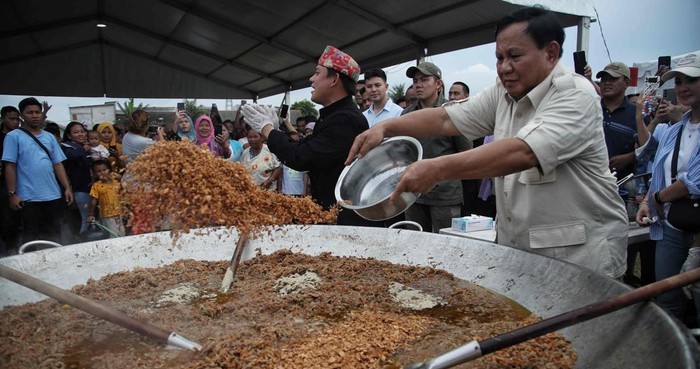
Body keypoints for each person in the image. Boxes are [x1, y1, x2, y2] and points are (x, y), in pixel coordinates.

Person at [346, 7, 628, 278]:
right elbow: (446, 119)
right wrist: (386, 127)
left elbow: (523, 152)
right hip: (521, 253)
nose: (505, 67)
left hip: (580, 257)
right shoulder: (502, 94)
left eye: (515, 56)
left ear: (551, 53)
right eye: (499, 57)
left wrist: (436, 169)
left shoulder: (575, 94)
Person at [242, 45, 376, 226]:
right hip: (330, 213)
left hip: (343, 219)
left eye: (317, 73)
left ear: (334, 79)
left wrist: (267, 130)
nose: (311, 79)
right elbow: (303, 148)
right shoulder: (333, 115)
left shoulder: (345, 119)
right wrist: (276, 131)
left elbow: (300, 157)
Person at [637, 52, 700, 322]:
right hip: (671, 226)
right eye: (679, 82)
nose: (683, 87)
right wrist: (646, 201)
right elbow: (653, 163)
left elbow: (694, 182)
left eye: (692, 80)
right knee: (667, 299)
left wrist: (658, 198)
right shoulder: (675, 129)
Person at [402, 62, 472, 233]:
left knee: (447, 245)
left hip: (445, 194)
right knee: (414, 244)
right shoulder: (407, 115)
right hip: (413, 194)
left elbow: (466, 153)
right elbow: (402, 152)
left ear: (438, 84)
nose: (418, 84)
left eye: (424, 79)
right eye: (415, 80)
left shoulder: (453, 112)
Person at [2, 97, 74, 245]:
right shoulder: (13, 137)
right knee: (31, 236)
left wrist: (67, 188)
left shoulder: (49, 137)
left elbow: (58, 164)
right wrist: (12, 194)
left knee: (54, 235)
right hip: (28, 197)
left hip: (53, 195)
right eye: (29, 112)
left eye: (37, 112)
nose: (34, 115)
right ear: (22, 115)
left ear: (41, 114)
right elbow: (10, 166)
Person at [596, 62, 638, 183]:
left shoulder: (637, 114)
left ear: (627, 82)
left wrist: (630, 157)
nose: (607, 83)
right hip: (588, 182)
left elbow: (650, 148)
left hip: (621, 186)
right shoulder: (590, 107)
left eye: (613, 79)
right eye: (604, 79)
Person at [60, 122, 93, 236]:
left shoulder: (84, 147)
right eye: (76, 132)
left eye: (82, 131)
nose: (81, 134)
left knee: (89, 217)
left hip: (89, 188)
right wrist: (84, 149)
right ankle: (82, 241)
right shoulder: (66, 147)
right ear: (69, 135)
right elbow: (73, 156)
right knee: (85, 219)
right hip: (79, 189)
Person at [0, 106, 21, 254]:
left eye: (17, 119)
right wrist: (11, 192)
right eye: (11, 118)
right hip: (4, 185)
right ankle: (9, 251)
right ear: (3, 119)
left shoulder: (22, 136)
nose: (15, 122)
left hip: (23, 183)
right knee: (7, 220)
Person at [87, 159, 124, 237]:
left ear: (109, 170)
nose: (102, 172)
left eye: (105, 170)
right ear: (95, 174)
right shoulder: (96, 186)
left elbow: (123, 195)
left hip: (120, 213)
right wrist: (91, 213)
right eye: (99, 171)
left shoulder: (116, 183)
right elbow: (94, 200)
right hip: (107, 215)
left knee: (122, 234)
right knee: (113, 234)